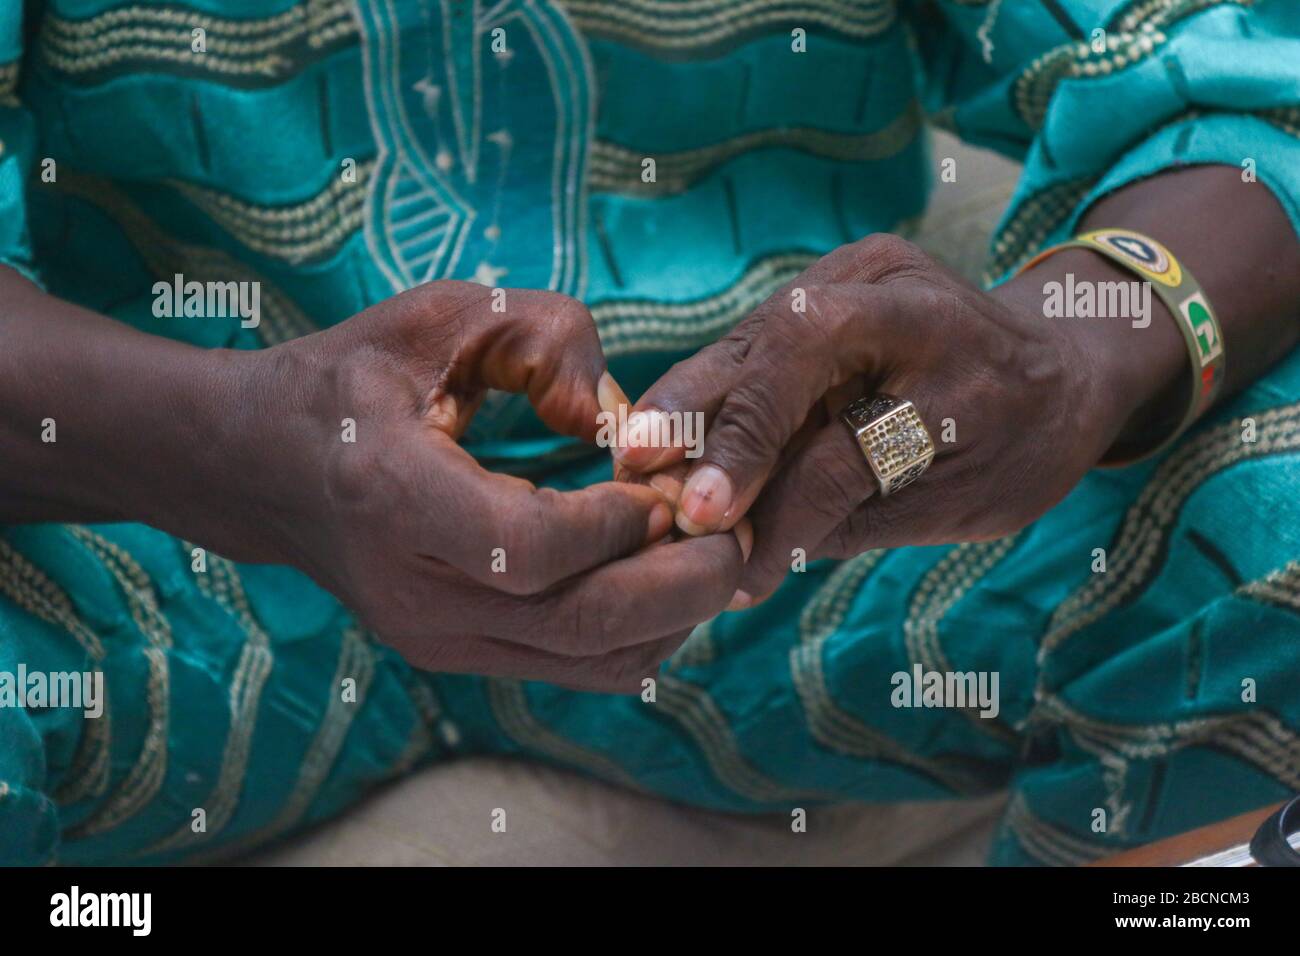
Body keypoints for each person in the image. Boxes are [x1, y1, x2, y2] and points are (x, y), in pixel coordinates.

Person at [1, 0, 1298, 866]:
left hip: (811, 523)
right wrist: (232, 447)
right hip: (147, 532)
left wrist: (1075, 350)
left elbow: (1234, 65)